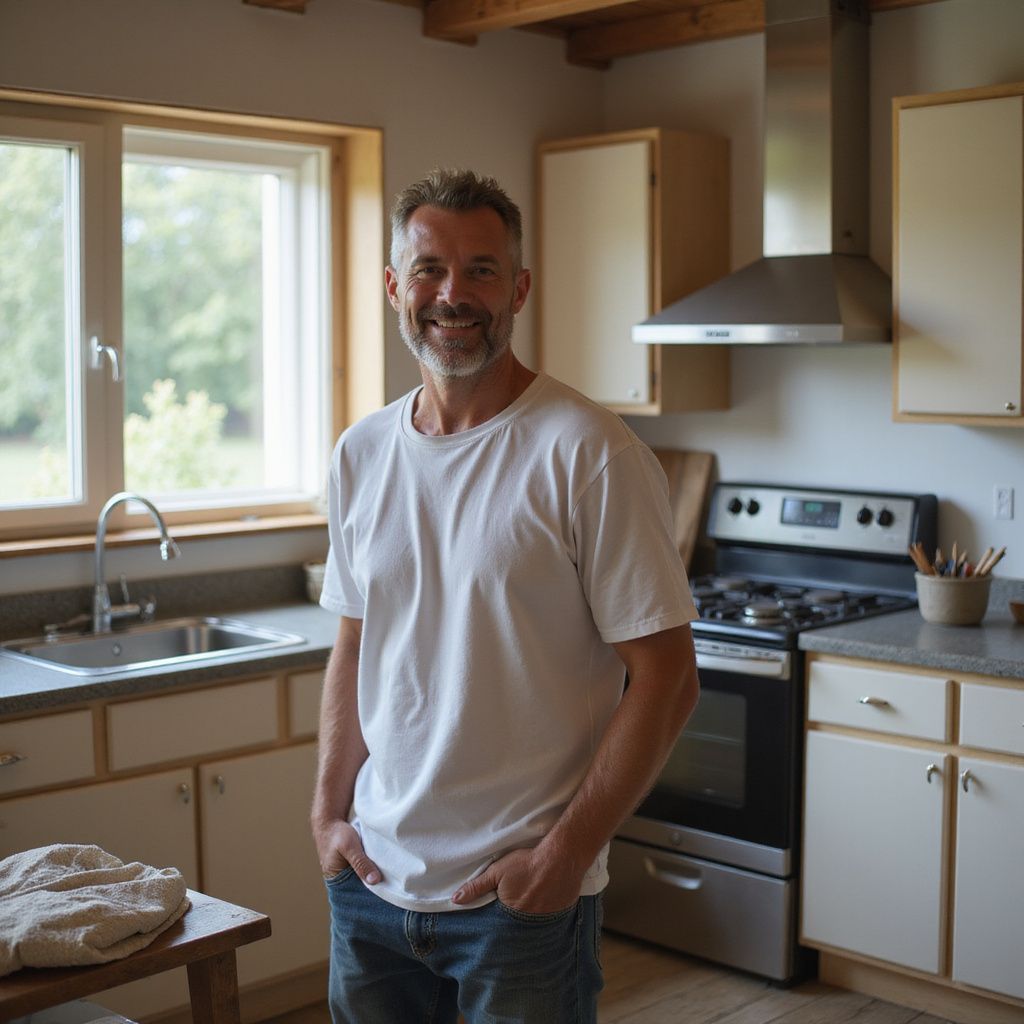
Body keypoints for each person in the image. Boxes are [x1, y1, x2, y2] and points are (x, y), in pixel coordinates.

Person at [311, 168, 700, 1024]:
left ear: (518, 287)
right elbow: (354, 640)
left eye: (482, 270)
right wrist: (328, 819)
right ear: (393, 288)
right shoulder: (361, 453)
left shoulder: (588, 451)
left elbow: (668, 677)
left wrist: (564, 858)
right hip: (371, 883)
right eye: (429, 270)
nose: (453, 295)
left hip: (518, 899)